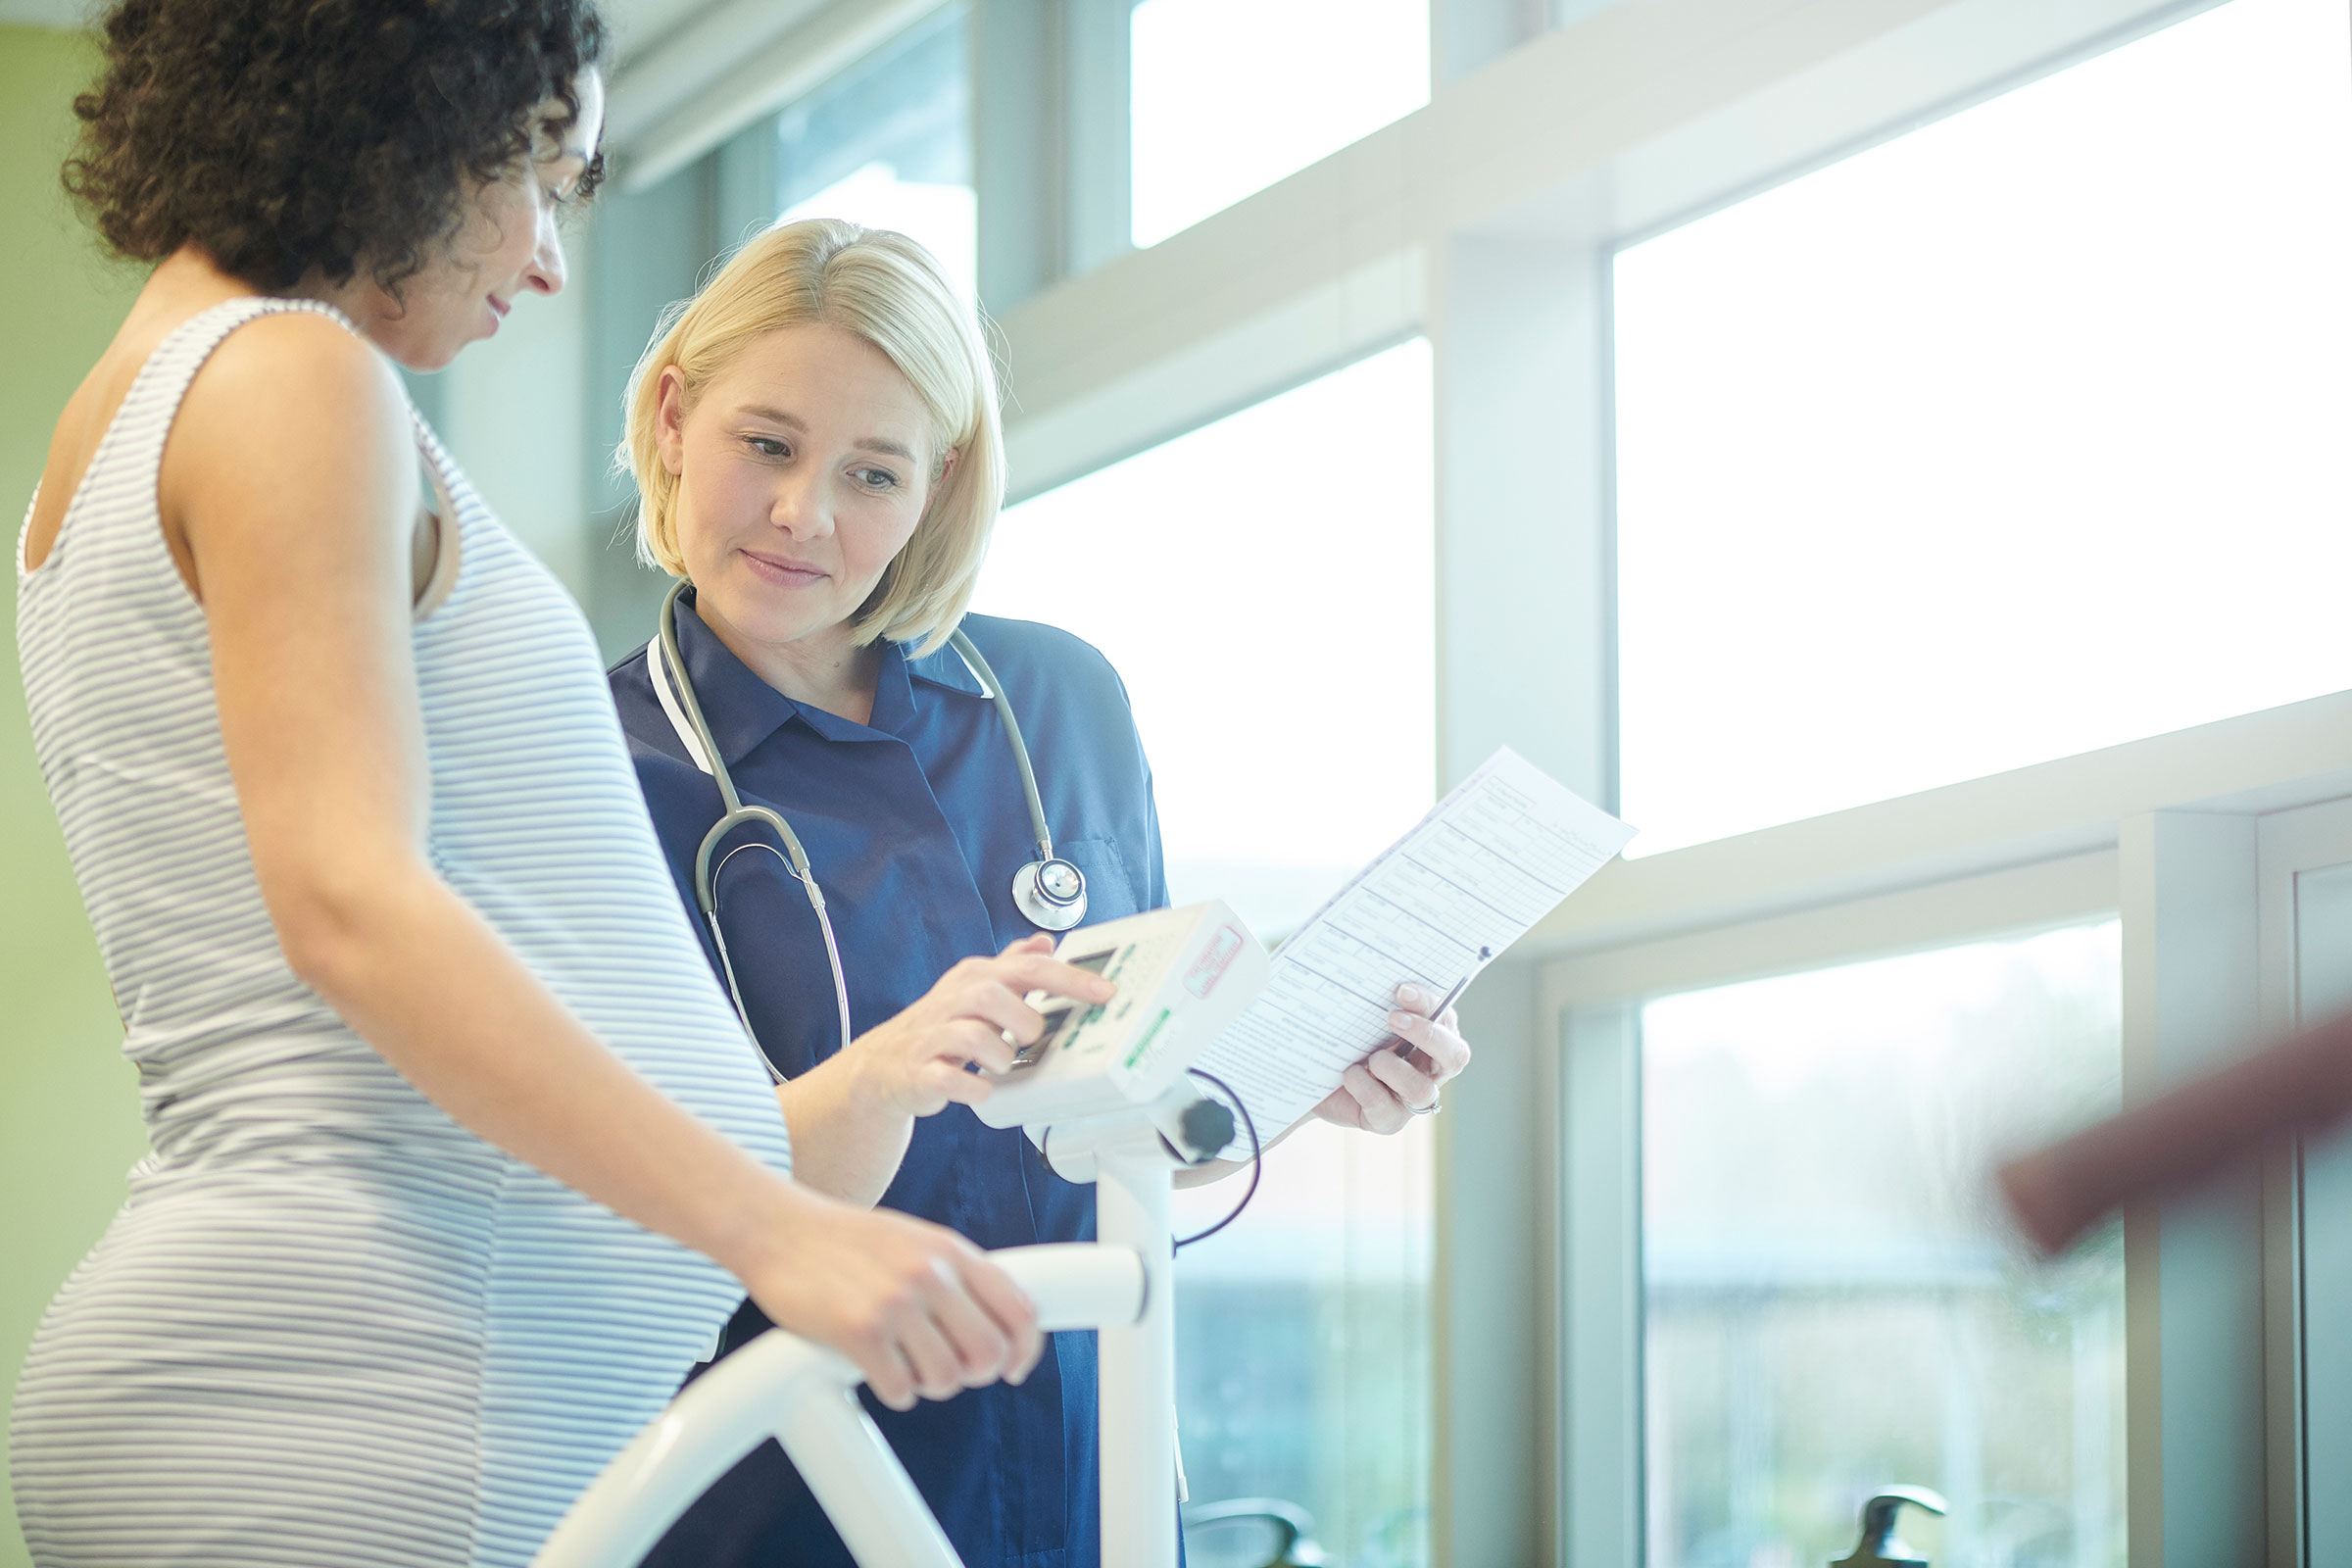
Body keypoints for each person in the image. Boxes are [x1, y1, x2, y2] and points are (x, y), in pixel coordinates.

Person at [8, 10, 1041, 1566]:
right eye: (543, 178)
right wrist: (781, 1238)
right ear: (409, 115)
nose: (550, 259)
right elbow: (351, 905)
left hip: (352, 1381)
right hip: (365, 1404)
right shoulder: (292, 378)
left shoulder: (138, 409)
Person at [605, 217, 1474, 1568]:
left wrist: (1310, 1066)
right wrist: (883, 1079)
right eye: (766, 446)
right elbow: (638, 1225)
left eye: (873, 472)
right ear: (673, 417)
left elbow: (1142, 1105)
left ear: (939, 484)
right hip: (786, 1500)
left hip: (1092, 1478)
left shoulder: (1060, 706)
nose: (806, 516)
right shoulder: (593, 774)